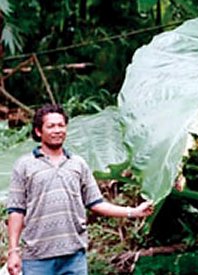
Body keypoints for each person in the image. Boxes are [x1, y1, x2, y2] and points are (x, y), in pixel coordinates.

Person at [5, 104, 154, 275]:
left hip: (74, 257)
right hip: (37, 258)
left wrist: (133, 212)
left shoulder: (78, 164)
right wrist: (13, 251)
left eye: (61, 125)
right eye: (51, 126)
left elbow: (96, 203)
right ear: (39, 131)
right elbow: (16, 210)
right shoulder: (24, 165)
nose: (57, 130)